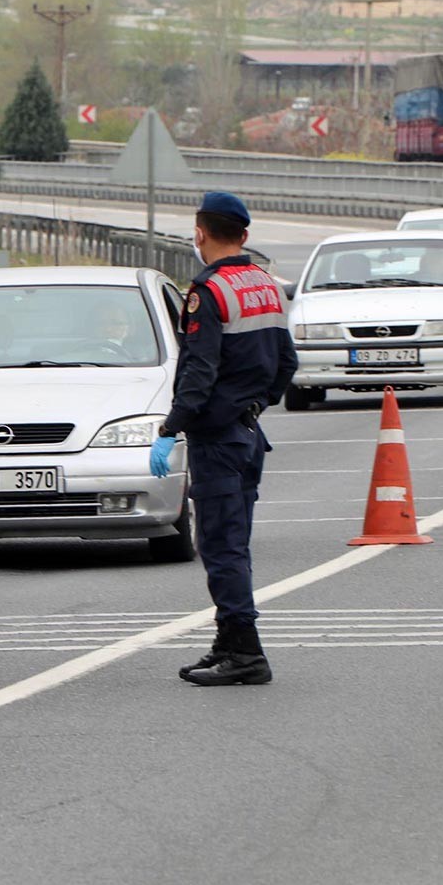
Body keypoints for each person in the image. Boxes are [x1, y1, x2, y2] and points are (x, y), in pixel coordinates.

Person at [148, 192, 297, 686]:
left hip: (218, 440)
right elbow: (287, 364)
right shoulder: (264, 285)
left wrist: (171, 427)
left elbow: (199, 371)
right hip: (249, 434)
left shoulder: (208, 291)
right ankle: (228, 640)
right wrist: (255, 404)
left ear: (200, 233)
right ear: (244, 236)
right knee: (234, 544)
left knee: (221, 547)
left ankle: (247, 654)